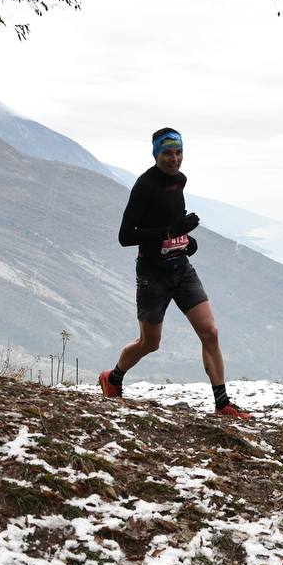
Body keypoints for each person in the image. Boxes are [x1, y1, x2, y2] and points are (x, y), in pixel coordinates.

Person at [99, 127, 251, 419]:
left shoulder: (179, 181)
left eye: (179, 152)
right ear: (156, 153)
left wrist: (184, 240)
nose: (175, 159)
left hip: (181, 268)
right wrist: (171, 232)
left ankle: (222, 404)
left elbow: (170, 222)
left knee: (210, 331)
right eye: (168, 153)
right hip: (152, 274)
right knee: (149, 343)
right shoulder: (144, 186)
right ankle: (113, 378)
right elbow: (126, 236)